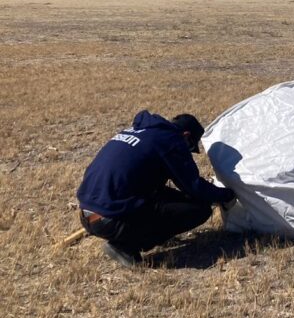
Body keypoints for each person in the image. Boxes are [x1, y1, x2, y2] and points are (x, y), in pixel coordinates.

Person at [76, 111, 235, 266]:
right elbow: (193, 187)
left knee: (167, 196)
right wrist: (225, 195)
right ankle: (126, 247)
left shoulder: (141, 131)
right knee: (200, 210)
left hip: (88, 213)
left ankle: (142, 234)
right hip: (110, 219)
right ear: (186, 136)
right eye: (190, 148)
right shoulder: (171, 141)